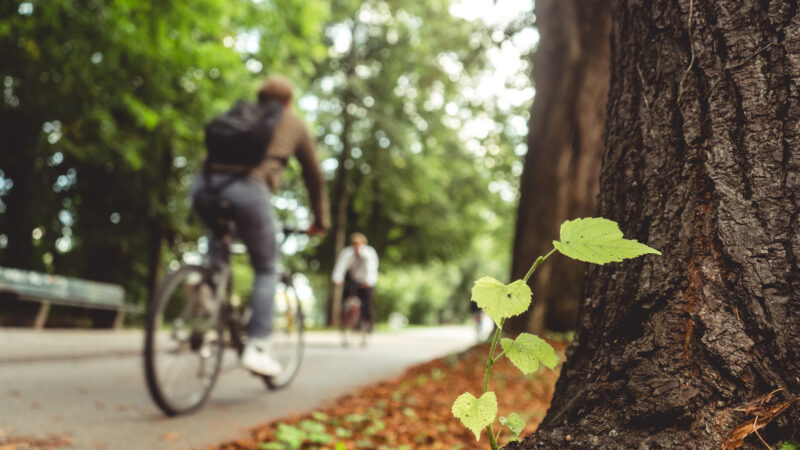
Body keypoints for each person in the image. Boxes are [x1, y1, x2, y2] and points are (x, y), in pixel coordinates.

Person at [191, 75, 328, 376]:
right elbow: (314, 175)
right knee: (267, 267)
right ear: (288, 102)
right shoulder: (293, 122)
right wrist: (320, 220)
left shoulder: (242, 112)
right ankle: (258, 347)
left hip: (204, 185)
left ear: (260, 97)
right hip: (248, 189)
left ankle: (204, 283)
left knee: (220, 238)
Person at [332, 233, 379, 332]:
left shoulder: (369, 252)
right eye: (354, 244)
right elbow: (340, 267)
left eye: (358, 244)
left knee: (367, 302)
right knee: (346, 297)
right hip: (353, 279)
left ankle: (368, 322)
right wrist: (337, 279)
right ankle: (345, 318)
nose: (356, 246)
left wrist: (369, 281)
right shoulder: (347, 253)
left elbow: (371, 268)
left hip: (366, 280)